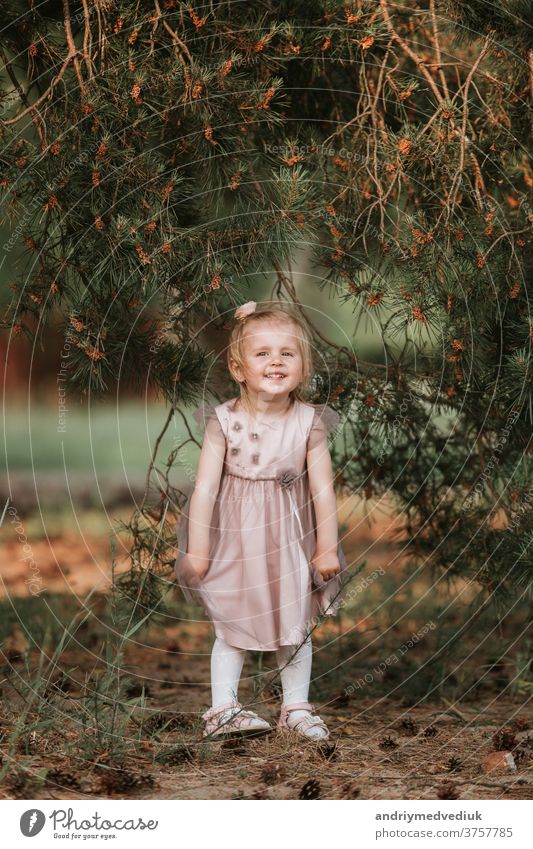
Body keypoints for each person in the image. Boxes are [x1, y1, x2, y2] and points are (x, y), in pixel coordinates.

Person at [175, 301, 349, 740]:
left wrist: (326, 546)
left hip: (288, 537)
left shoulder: (309, 423)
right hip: (234, 539)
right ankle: (223, 709)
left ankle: (296, 708)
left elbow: (322, 489)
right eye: (262, 353)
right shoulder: (223, 421)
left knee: (295, 623)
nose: (275, 361)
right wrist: (197, 549)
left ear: (303, 365)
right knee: (231, 622)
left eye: (287, 353)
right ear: (238, 367)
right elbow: (205, 490)